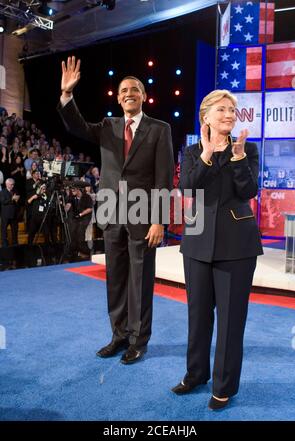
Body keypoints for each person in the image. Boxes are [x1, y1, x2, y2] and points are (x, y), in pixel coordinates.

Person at [58, 56, 174, 364]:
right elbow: (76, 126)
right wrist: (67, 95)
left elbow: (164, 178)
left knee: (140, 281)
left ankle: (138, 340)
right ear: (118, 97)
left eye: (134, 89)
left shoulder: (160, 129)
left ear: (143, 96)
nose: (128, 94)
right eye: (123, 90)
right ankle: (119, 335)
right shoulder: (108, 126)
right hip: (111, 215)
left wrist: (159, 221)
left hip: (143, 218)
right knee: (116, 280)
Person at [172, 90, 263, 410]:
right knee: (197, 316)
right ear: (205, 116)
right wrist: (208, 155)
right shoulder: (193, 151)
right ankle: (195, 374)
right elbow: (187, 188)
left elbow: (249, 190)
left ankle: (223, 386)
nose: (229, 114)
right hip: (197, 244)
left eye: (233, 110)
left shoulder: (246, 149)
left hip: (238, 246)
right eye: (222, 109)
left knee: (230, 321)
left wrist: (236, 158)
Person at [0, 178, 20, 247]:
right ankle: (5, 245)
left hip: (14, 214)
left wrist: (17, 199)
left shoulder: (15, 191)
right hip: (5, 215)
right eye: (11, 185)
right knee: (4, 231)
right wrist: (12, 198)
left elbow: (17, 201)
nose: (13, 186)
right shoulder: (2, 192)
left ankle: (15, 244)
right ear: (7, 184)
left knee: (15, 230)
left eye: (13, 184)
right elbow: (3, 201)